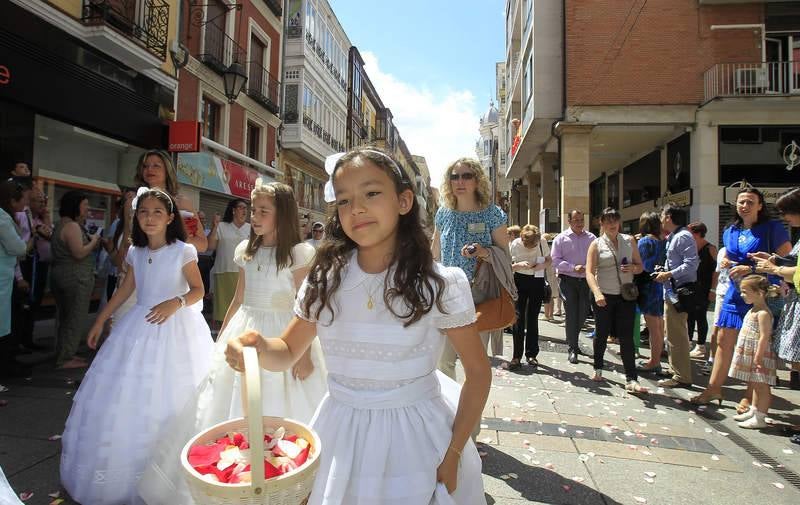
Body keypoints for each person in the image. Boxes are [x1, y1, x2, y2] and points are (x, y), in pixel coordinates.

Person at [225, 147, 491, 504]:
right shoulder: (325, 278)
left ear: (404, 200)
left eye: (371, 193)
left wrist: (455, 452)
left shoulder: (439, 284)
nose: (358, 208)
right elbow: (287, 351)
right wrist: (257, 347)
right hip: (340, 433)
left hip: (416, 441)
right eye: (345, 200)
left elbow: (478, 371)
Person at [138, 182, 327, 504]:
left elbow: (305, 304)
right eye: (254, 210)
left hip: (283, 332)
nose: (255, 216)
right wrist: (223, 336)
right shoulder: (246, 250)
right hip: (246, 329)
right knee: (230, 398)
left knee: (285, 398)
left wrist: (304, 352)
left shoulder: (298, 254)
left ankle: (288, 476)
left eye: (263, 211)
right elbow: (239, 299)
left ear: (282, 215)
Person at [60, 188, 213, 505]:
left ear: (170, 218)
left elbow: (199, 289)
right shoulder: (135, 253)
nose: (150, 218)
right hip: (139, 325)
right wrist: (101, 318)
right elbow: (124, 289)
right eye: (143, 212)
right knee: (125, 395)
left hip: (175, 328)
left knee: (171, 395)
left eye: (158, 212)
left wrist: (177, 301)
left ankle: (169, 475)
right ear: (135, 217)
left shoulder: (182, 251)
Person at [691, 187, 791, 405]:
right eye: (741, 202)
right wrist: (728, 263)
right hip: (736, 292)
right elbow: (730, 256)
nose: (744, 206)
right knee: (722, 340)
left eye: (750, 202)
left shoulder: (772, 228)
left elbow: (786, 260)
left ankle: (750, 396)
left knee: (755, 345)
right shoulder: (730, 229)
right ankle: (714, 388)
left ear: (760, 206)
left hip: (761, 293)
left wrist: (753, 268)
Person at [431, 157, 509, 380]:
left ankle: (471, 415)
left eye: (467, 175)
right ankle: (452, 411)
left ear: (477, 180)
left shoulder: (492, 214)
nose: (460, 181)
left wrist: (483, 251)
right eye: (454, 176)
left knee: (473, 364)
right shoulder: (443, 213)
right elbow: (434, 252)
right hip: (448, 294)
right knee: (443, 361)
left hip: (479, 294)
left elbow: (504, 255)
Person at [752, 187, 800, 441]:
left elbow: (799, 272)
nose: (785, 218)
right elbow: (793, 262)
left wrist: (772, 267)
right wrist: (775, 260)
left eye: (787, 213)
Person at [585, 208, 647, 393]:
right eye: (608, 221)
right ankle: (598, 367)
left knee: (626, 337)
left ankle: (631, 379)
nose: (612, 225)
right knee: (602, 333)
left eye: (615, 221)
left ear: (619, 222)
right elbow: (589, 272)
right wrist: (597, 293)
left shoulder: (629, 240)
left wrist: (633, 268)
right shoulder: (596, 244)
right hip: (604, 295)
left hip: (626, 295)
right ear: (601, 224)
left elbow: (640, 266)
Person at [50, 190, 102, 369]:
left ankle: (64, 352)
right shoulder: (72, 226)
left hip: (61, 274)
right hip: (75, 277)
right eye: (85, 204)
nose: (88, 208)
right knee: (75, 317)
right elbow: (79, 253)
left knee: (65, 317)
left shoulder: (60, 224)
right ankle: (65, 358)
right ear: (76, 206)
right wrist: (94, 241)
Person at [653, 204, 699, 389]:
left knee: (678, 334)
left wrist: (669, 274)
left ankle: (682, 376)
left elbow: (691, 265)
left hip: (680, 291)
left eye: (662, 215)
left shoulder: (683, 236)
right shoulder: (674, 237)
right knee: (671, 333)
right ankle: (675, 369)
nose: (660, 218)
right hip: (671, 291)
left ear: (669, 217)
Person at [728, 275, 778, 428]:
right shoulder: (753, 310)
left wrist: (758, 356)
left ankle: (761, 416)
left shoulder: (763, 313)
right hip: (751, 351)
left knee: (762, 385)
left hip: (759, 353)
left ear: (759, 293)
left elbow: (764, 336)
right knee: (755, 383)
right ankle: (754, 409)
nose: (742, 295)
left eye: (745, 291)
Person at [551, 210, 596, 364]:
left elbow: (597, 256)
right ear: (569, 221)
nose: (579, 223)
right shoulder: (561, 238)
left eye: (581, 220)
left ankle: (572, 339)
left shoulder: (591, 238)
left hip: (585, 281)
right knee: (571, 313)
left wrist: (590, 267)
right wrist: (572, 267)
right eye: (576, 220)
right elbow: (555, 260)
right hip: (567, 280)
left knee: (583, 312)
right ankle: (573, 348)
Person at [507, 224, 550, 370]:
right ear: (522, 239)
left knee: (533, 317)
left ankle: (531, 354)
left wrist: (540, 266)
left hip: (537, 280)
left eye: (534, 244)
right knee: (518, 319)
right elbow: (507, 265)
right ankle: (516, 356)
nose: (532, 247)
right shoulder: (515, 244)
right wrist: (518, 265)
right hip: (519, 280)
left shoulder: (542, 242)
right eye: (529, 245)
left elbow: (549, 260)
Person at [0, 179, 30, 378]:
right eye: (24, 200)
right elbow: (18, 248)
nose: (26, 205)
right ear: (12, 200)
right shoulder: (2, 219)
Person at [207, 198, 251, 324]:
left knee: (242, 311)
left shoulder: (251, 228)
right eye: (241, 207)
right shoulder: (221, 226)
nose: (244, 211)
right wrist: (214, 227)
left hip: (245, 274)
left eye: (245, 208)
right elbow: (210, 246)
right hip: (223, 272)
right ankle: (222, 336)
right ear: (233, 210)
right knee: (223, 312)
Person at [635, 212, 666, 373]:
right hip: (659, 285)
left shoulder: (645, 242)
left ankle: (654, 361)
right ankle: (657, 356)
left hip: (647, 286)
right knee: (659, 323)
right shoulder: (663, 241)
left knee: (653, 325)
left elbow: (641, 265)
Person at [687, 222, 718, 358]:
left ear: (697, 233)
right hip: (691, 287)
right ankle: (687, 342)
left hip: (704, 288)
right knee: (689, 316)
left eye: (690, 233)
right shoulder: (690, 248)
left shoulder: (710, 248)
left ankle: (701, 346)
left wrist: (713, 289)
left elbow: (717, 272)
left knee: (700, 316)